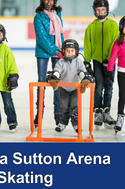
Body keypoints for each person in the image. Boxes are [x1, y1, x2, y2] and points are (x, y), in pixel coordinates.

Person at [46, 39, 94, 135]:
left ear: (76, 51)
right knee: (63, 107)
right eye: (67, 51)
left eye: (72, 51)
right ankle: (62, 123)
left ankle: (76, 124)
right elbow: (57, 71)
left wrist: (84, 79)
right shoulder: (61, 62)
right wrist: (54, 77)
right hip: (63, 89)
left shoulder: (79, 61)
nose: (70, 53)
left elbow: (81, 72)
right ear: (63, 51)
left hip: (75, 89)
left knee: (74, 107)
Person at [84, 0, 119, 130]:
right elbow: (88, 45)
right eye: (98, 10)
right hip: (97, 61)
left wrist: (111, 59)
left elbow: (116, 44)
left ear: (107, 10)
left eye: (103, 9)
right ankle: (98, 111)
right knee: (98, 86)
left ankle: (106, 111)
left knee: (109, 87)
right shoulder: (91, 27)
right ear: (95, 11)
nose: (101, 12)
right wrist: (87, 61)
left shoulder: (113, 25)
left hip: (110, 62)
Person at [34, 0, 64, 128]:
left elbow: (60, 34)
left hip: (58, 51)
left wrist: (62, 49)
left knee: (56, 81)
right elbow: (41, 38)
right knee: (42, 81)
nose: (49, 1)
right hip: (43, 52)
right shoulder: (38, 17)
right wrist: (55, 50)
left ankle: (58, 112)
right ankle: (39, 112)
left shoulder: (58, 14)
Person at [106, 16, 125, 134]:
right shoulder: (118, 42)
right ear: (122, 28)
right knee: (123, 95)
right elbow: (113, 58)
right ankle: (120, 117)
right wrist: (109, 72)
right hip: (122, 71)